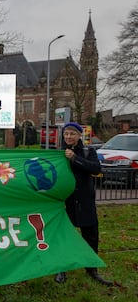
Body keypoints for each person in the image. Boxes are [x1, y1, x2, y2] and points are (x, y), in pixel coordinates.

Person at [54, 122, 113, 286]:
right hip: (67, 202)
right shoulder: (59, 154)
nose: (68, 137)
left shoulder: (88, 151)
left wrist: (75, 158)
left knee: (91, 236)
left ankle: (91, 269)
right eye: (66, 134)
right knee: (64, 237)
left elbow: (95, 169)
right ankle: (61, 270)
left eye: (72, 134)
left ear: (79, 136)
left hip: (85, 201)